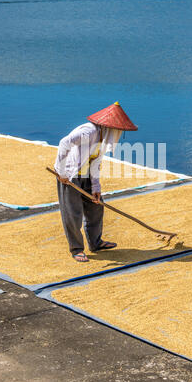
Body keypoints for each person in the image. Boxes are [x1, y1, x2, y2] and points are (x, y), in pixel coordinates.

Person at [54, 101, 138, 262]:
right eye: (118, 130)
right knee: (73, 212)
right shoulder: (88, 132)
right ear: (110, 128)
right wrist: (61, 171)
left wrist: (96, 187)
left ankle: (96, 242)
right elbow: (64, 143)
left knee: (96, 206)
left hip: (86, 174)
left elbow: (96, 162)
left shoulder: (102, 139)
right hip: (70, 175)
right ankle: (76, 249)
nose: (119, 134)